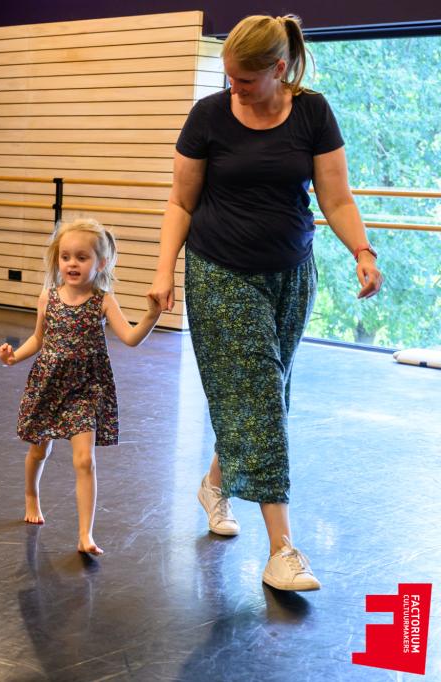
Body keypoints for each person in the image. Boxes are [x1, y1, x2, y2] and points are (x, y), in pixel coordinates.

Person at [147, 14, 384, 591]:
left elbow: (336, 197)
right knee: (259, 397)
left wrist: (362, 250)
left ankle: (214, 484)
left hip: (291, 275)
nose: (235, 89)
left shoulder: (313, 113)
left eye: (246, 80)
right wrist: (163, 270)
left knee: (267, 396)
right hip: (220, 271)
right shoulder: (208, 116)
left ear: (280, 69)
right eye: (229, 78)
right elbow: (181, 202)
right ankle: (282, 550)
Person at [0, 219, 161, 555]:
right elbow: (38, 339)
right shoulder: (48, 297)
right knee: (39, 450)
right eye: (66, 257)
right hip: (49, 384)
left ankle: (85, 535)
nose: (72, 264)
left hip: (85, 388)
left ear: (100, 263)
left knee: (85, 460)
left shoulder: (103, 301)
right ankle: (31, 494)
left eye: (82, 257)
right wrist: (13, 357)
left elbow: (130, 338)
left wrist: (152, 315)